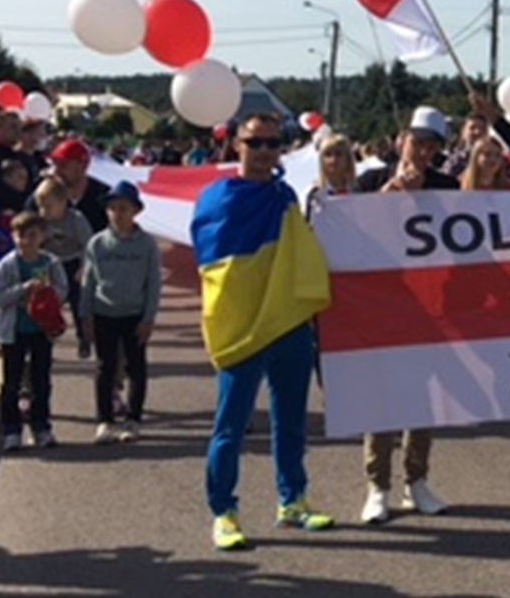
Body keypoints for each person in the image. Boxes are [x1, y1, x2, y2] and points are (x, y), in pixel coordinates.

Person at [192, 112, 335, 550]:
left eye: (273, 144)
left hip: (287, 323)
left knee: (291, 421)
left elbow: (301, 250)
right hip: (243, 327)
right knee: (230, 426)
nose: (265, 152)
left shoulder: (285, 196)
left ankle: (292, 502)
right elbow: (214, 267)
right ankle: (224, 512)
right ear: (236, 144)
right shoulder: (216, 199)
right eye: (255, 143)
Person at [356, 108, 459, 526]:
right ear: (402, 140)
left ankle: (416, 481)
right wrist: (393, 193)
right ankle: (376, 487)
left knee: (422, 401)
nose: (424, 152)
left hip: (429, 307)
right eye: (418, 143)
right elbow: (350, 231)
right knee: (380, 401)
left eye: (432, 146)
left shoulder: (447, 187)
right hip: (382, 307)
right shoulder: (371, 182)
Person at [80, 181, 160, 444]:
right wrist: (86, 315)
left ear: (135, 211)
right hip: (104, 313)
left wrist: (148, 318)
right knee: (105, 367)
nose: (117, 213)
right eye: (112, 208)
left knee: (136, 367)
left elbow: (153, 283)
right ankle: (105, 420)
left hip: (134, 314)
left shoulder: (146, 245)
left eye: (123, 208)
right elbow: (88, 282)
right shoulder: (97, 244)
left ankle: (133, 419)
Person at [0, 212, 69, 452]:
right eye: (21, 235)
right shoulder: (7, 265)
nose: (26, 241)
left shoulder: (50, 263)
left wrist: (47, 296)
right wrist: (23, 290)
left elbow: (63, 289)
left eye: (32, 235)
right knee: (12, 382)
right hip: (14, 331)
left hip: (41, 329)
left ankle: (41, 426)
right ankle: (11, 431)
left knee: (41, 380)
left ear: (43, 236)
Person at [34, 177, 94, 360]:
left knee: (78, 304)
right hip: (51, 264)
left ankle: (84, 337)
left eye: (48, 206)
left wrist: (84, 267)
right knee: (48, 302)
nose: (44, 211)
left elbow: (88, 245)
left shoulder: (75, 219)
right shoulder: (42, 222)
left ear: (63, 202)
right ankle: (46, 335)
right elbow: (38, 246)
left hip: (72, 263)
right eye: (41, 206)